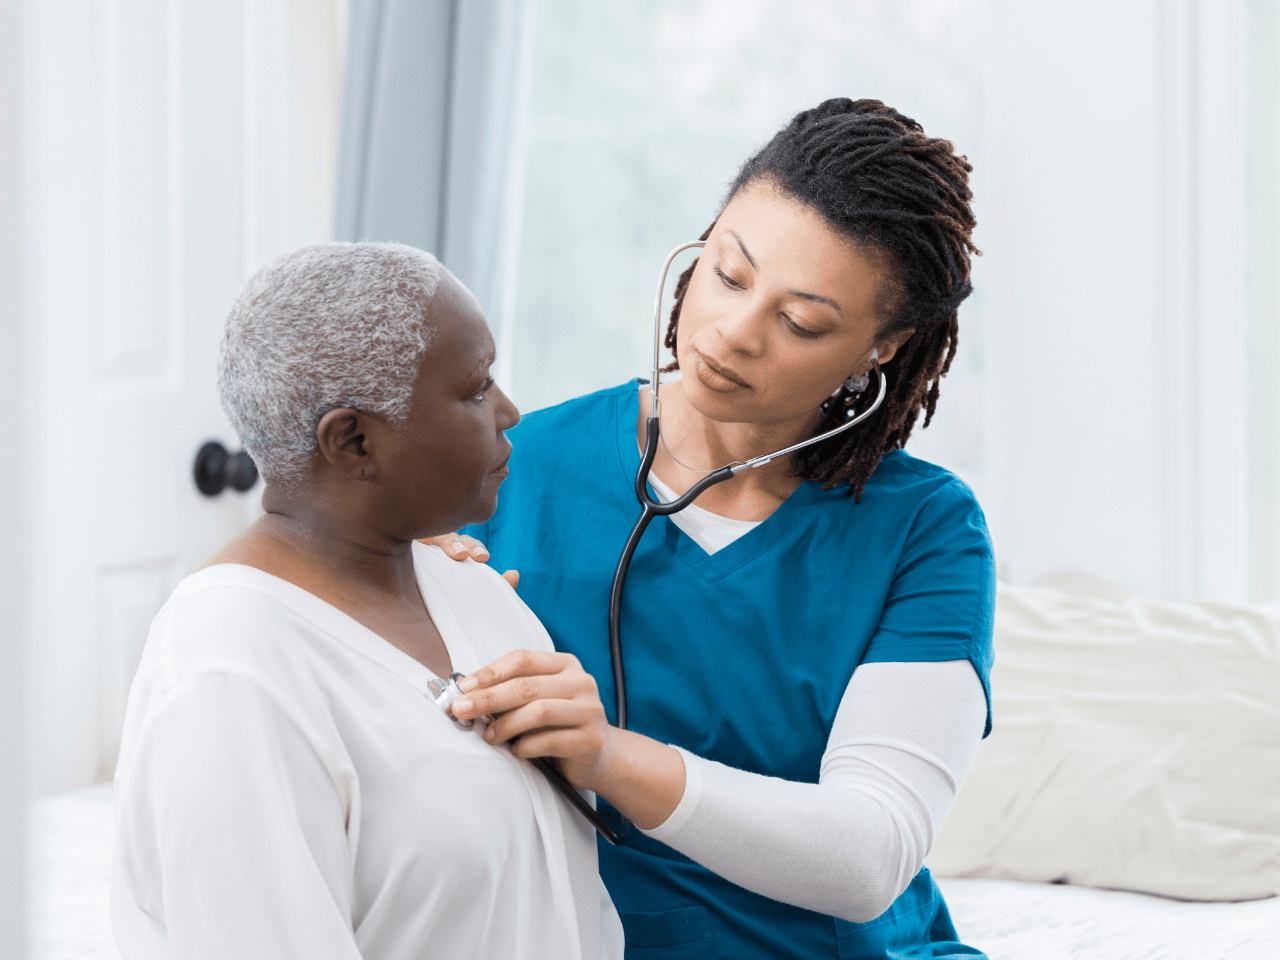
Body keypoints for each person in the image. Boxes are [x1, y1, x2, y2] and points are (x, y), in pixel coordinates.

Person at [436, 98, 994, 959]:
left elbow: (869, 853)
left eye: (801, 321)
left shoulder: (926, 530)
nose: (732, 334)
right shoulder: (510, 466)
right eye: (729, 274)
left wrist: (606, 755)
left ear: (881, 348)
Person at [111, 243, 624, 960]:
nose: (509, 411)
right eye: (476, 389)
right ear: (353, 442)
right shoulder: (228, 678)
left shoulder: (472, 588)